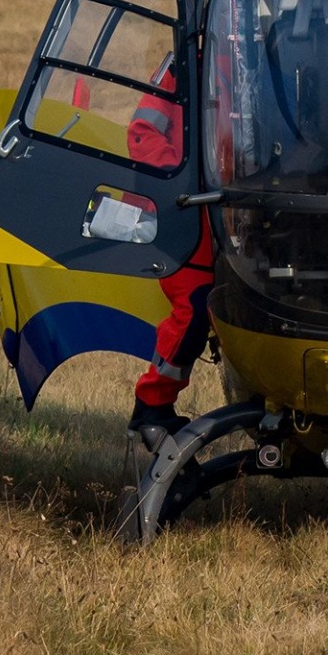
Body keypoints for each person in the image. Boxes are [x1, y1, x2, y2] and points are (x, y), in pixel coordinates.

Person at [125, 54, 214, 445]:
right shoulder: (187, 61)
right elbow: (141, 133)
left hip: (248, 206)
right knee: (195, 307)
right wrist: (184, 180)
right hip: (189, 212)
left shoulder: (274, 55)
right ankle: (153, 404)